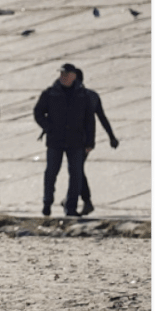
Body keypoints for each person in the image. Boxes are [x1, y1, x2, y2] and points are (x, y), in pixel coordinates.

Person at [33, 63, 95, 217]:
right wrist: (48, 127)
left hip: (76, 141)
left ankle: (71, 207)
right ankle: (47, 203)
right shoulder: (50, 93)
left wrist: (90, 142)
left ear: (74, 76)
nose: (63, 77)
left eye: (66, 74)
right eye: (61, 74)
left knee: (76, 174)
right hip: (55, 140)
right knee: (51, 172)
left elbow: (90, 120)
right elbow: (38, 112)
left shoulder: (83, 95)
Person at [73, 68, 119, 215]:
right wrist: (111, 136)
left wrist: (112, 136)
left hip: (80, 141)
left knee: (76, 169)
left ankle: (86, 202)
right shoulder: (92, 95)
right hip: (83, 141)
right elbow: (102, 117)